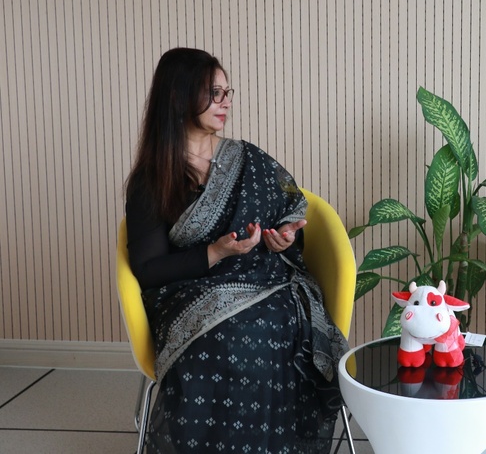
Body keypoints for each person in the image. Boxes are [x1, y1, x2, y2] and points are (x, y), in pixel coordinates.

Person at [124, 47, 347, 453]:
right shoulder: (152, 180)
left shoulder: (246, 158)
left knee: (276, 325)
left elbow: (289, 208)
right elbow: (149, 269)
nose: (225, 102)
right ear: (178, 96)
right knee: (226, 335)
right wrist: (215, 252)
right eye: (214, 93)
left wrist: (284, 237)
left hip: (267, 281)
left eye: (227, 92)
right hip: (190, 291)